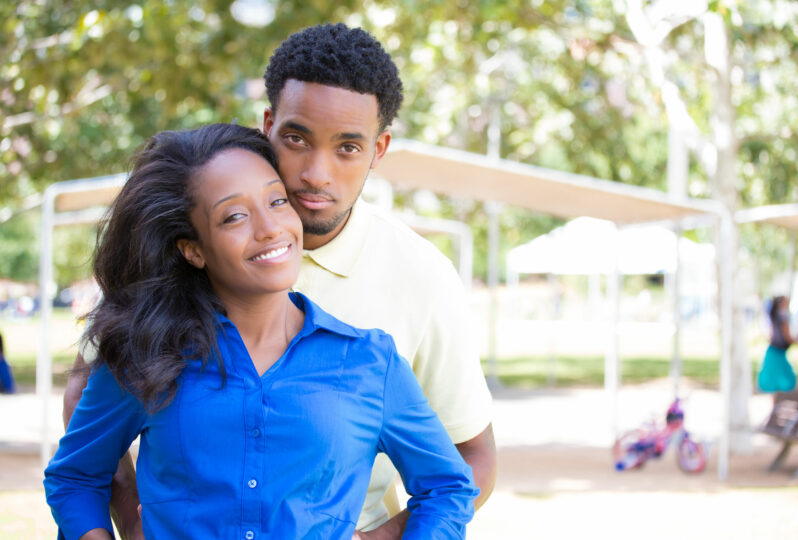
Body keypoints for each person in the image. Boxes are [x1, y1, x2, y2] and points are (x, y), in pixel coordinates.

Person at [63, 23, 495, 539]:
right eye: (296, 138)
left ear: (379, 149)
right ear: (268, 124)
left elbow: (467, 463)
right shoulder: (181, 243)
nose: (316, 173)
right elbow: (88, 404)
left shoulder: (418, 281)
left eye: (348, 148)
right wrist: (130, 523)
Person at [757, 295, 798, 393]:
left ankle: (775, 402)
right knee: (785, 380)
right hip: (777, 352)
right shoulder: (781, 317)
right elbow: (787, 337)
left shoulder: (774, 316)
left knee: (776, 380)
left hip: (774, 351)